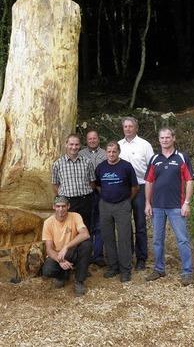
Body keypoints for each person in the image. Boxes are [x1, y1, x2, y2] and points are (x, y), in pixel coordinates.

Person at [144, 127, 194, 286]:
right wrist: (147, 203)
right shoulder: (154, 159)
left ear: (173, 138)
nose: (165, 140)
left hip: (176, 207)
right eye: (162, 138)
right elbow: (149, 182)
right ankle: (159, 269)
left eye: (167, 137)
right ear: (158, 140)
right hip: (157, 206)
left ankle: (187, 271)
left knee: (182, 240)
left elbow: (189, 181)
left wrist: (186, 203)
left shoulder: (181, 157)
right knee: (157, 240)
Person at [95, 142, 139, 282]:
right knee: (108, 236)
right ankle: (113, 267)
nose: (111, 154)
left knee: (124, 237)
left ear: (119, 152)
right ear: (106, 152)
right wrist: (107, 196)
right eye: (109, 151)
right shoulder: (101, 167)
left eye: (114, 151)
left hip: (122, 205)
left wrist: (126, 200)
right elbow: (97, 185)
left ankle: (125, 270)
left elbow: (135, 187)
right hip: (105, 205)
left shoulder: (126, 166)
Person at [118, 116, 154, 270]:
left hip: (140, 188)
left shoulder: (145, 145)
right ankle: (127, 256)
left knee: (140, 225)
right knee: (125, 225)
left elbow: (152, 170)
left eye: (130, 126)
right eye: (125, 126)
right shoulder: (118, 145)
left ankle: (141, 258)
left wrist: (150, 194)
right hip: (123, 189)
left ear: (136, 128)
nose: (128, 129)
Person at [41, 195, 93, 296]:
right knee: (47, 270)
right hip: (58, 254)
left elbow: (85, 234)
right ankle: (63, 275)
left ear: (68, 206)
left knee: (87, 245)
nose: (61, 209)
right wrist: (60, 260)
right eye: (58, 206)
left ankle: (79, 281)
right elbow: (49, 249)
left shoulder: (75, 216)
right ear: (54, 207)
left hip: (71, 251)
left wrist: (66, 247)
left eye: (63, 206)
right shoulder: (48, 223)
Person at [52, 134, 96, 232]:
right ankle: (69, 247)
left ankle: (86, 247)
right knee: (69, 230)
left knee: (86, 228)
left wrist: (84, 192)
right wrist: (62, 198)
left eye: (76, 145)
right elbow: (55, 184)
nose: (74, 147)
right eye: (71, 144)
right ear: (66, 144)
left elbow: (92, 183)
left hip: (85, 201)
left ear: (80, 145)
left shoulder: (87, 162)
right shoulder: (57, 164)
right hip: (68, 202)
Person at [78, 129, 107, 266]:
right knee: (86, 224)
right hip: (86, 193)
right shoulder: (80, 154)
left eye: (94, 138)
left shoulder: (105, 154)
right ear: (86, 140)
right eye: (89, 139)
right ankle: (86, 255)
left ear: (98, 139)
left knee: (100, 225)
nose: (92, 141)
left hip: (101, 191)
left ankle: (98, 255)